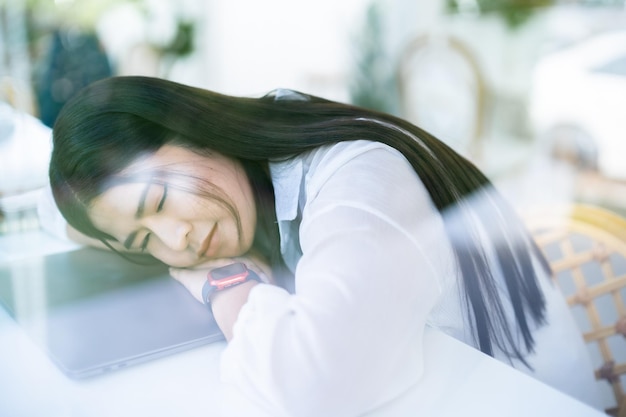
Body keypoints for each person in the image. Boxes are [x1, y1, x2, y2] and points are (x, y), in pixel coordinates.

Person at [45, 76, 602, 416]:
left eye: (160, 200)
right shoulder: (266, 139)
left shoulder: (359, 176)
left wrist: (228, 286)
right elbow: (69, 216)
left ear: (196, 129)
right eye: (144, 241)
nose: (177, 242)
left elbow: (319, 386)